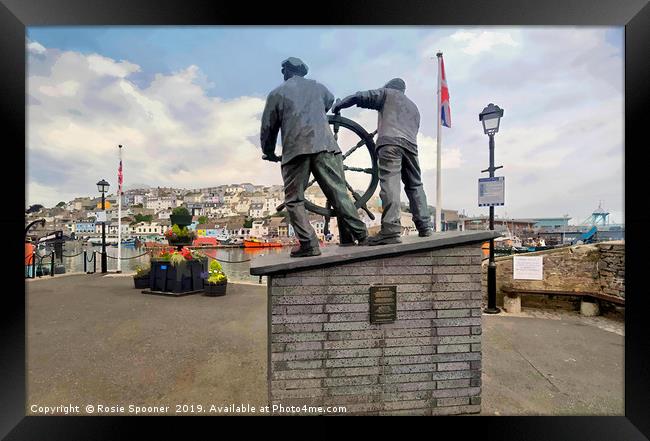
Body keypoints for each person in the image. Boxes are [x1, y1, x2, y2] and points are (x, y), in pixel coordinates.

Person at [260, 57, 369, 257]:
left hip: (295, 150)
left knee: (294, 199)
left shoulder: (276, 94)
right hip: (325, 145)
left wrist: (268, 152)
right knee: (339, 193)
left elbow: (268, 127)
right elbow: (328, 102)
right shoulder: (319, 88)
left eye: (283, 69)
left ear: (287, 71)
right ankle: (362, 234)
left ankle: (309, 244)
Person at [332, 78, 432, 245]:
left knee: (390, 183)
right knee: (415, 184)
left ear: (389, 87)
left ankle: (391, 230)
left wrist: (340, 105)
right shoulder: (414, 108)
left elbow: (360, 97)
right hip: (411, 147)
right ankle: (425, 226)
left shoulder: (387, 94)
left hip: (390, 143)